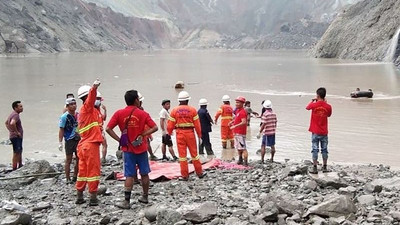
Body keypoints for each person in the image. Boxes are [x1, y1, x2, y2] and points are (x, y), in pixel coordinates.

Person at [106, 90, 158, 209]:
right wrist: (143, 134)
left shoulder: (119, 113)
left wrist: (119, 140)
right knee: (144, 173)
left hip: (128, 149)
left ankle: (126, 201)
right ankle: (145, 196)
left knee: (129, 174)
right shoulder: (143, 114)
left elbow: (108, 128)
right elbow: (155, 127)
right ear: (136, 100)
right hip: (141, 148)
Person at [75, 79, 103, 206]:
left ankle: (80, 195)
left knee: (83, 171)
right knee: (93, 172)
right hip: (90, 145)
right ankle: (93, 197)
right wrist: (94, 88)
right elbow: (90, 100)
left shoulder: (88, 113)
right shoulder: (87, 109)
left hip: (83, 145)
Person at [167, 91, 206, 181]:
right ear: (188, 100)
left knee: (182, 156)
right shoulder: (192, 110)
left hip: (179, 134)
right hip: (190, 134)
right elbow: (197, 125)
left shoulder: (174, 110)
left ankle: (185, 175)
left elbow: (170, 125)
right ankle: (199, 173)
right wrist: (199, 136)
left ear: (179, 101)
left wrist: (169, 133)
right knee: (194, 155)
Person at [306, 87, 332, 174]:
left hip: (315, 131)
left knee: (315, 149)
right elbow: (329, 115)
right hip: (324, 131)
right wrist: (325, 103)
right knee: (324, 149)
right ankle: (324, 167)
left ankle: (315, 167)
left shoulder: (314, 105)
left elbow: (307, 107)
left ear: (317, 95)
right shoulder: (328, 106)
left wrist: (313, 101)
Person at [58, 98, 80, 183]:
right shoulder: (64, 117)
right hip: (69, 139)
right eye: (71, 104)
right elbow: (61, 129)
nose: (74, 106)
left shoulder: (78, 115)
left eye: (75, 104)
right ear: (67, 106)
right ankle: (67, 178)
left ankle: (75, 175)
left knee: (79, 158)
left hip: (78, 138)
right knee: (68, 159)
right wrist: (60, 142)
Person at [138, 92, 158, 161]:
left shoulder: (123, 113)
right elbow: (154, 127)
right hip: (142, 135)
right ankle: (151, 155)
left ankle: (150, 155)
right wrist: (147, 134)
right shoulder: (144, 115)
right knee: (146, 144)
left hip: (133, 140)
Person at [5, 101, 24, 170]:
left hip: (14, 136)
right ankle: (15, 168)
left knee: (19, 150)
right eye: (20, 106)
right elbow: (12, 123)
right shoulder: (16, 115)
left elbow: (6, 123)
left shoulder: (12, 114)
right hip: (16, 137)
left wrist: (11, 131)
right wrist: (16, 132)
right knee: (16, 152)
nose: (22, 108)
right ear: (15, 108)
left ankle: (20, 165)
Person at [229, 96, 248, 166]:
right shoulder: (237, 111)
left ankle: (245, 162)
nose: (236, 104)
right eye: (236, 102)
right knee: (238, 147)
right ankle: (240, 159)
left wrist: (235, 126)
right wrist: (232, 122)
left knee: (243, 148)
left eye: (238, 103)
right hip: (236, 132)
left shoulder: (243, 112)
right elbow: (237, 118)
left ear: (242, 103)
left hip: (241, 132)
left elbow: (244, 122)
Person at [95, 92, 108, 164]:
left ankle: (103, 158)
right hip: (98, 131)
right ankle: (102, 159)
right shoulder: (93, 111)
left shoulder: (98, 110)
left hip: (100, 130)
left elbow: (104, 118)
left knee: (104, 145)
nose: (100, 102)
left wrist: (105, 111)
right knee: (102, 145)